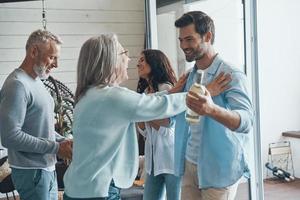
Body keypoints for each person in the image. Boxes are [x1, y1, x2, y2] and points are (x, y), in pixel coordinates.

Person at [62, 34, 188, 200]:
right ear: (111, 61)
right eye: (124, 53)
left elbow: (147, 102)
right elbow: (159, 106)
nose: (129, 59)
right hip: (99, 191)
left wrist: (170, 92)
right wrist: (203, 93)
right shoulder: (112, 97)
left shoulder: (88, 96)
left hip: (75, 189)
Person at [173, 11, 254, 200]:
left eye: (189, 39)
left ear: (207, 36)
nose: (184, 46)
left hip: (218, 169)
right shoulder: (189, 76)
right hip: (189, 164)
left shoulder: (231, 75)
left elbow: (246, 121)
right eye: (181, 40)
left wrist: (211, 109)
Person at [136, 49, 231, 200]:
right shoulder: (145, 92)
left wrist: (144, 113)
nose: (138, 63)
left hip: (171, 157)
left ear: (153, 63)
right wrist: (147, 114)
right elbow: (143, 130)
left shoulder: (166, 88)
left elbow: (167, 125)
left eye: (142, 60)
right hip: (153, 161)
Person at [0, 29, 73, 200]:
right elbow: (10, 137)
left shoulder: (37, 81)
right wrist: (56, 148)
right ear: (34, 51)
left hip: (46, 169)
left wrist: (62, 141)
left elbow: (41, 127)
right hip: (31, 172)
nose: (56, 64)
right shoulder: (16, 85)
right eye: (52, 57)